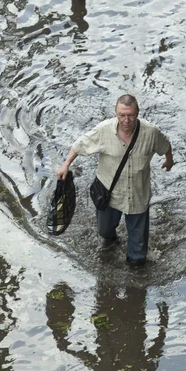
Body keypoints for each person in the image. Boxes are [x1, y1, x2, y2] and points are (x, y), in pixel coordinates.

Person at [56, 94, 173, 265]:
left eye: (131, 115)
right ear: (116, 114)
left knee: (138, 255)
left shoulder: (151, 133)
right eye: (122, 115)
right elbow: (79, 145)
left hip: (138, 195)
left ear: (137, 113)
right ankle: (112, 241)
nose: (126, 120)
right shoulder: (104, 130)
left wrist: (169, 160)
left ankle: (136, 281)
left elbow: (166, 145)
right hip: (109, 194)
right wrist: (65, 164)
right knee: (105, 232)